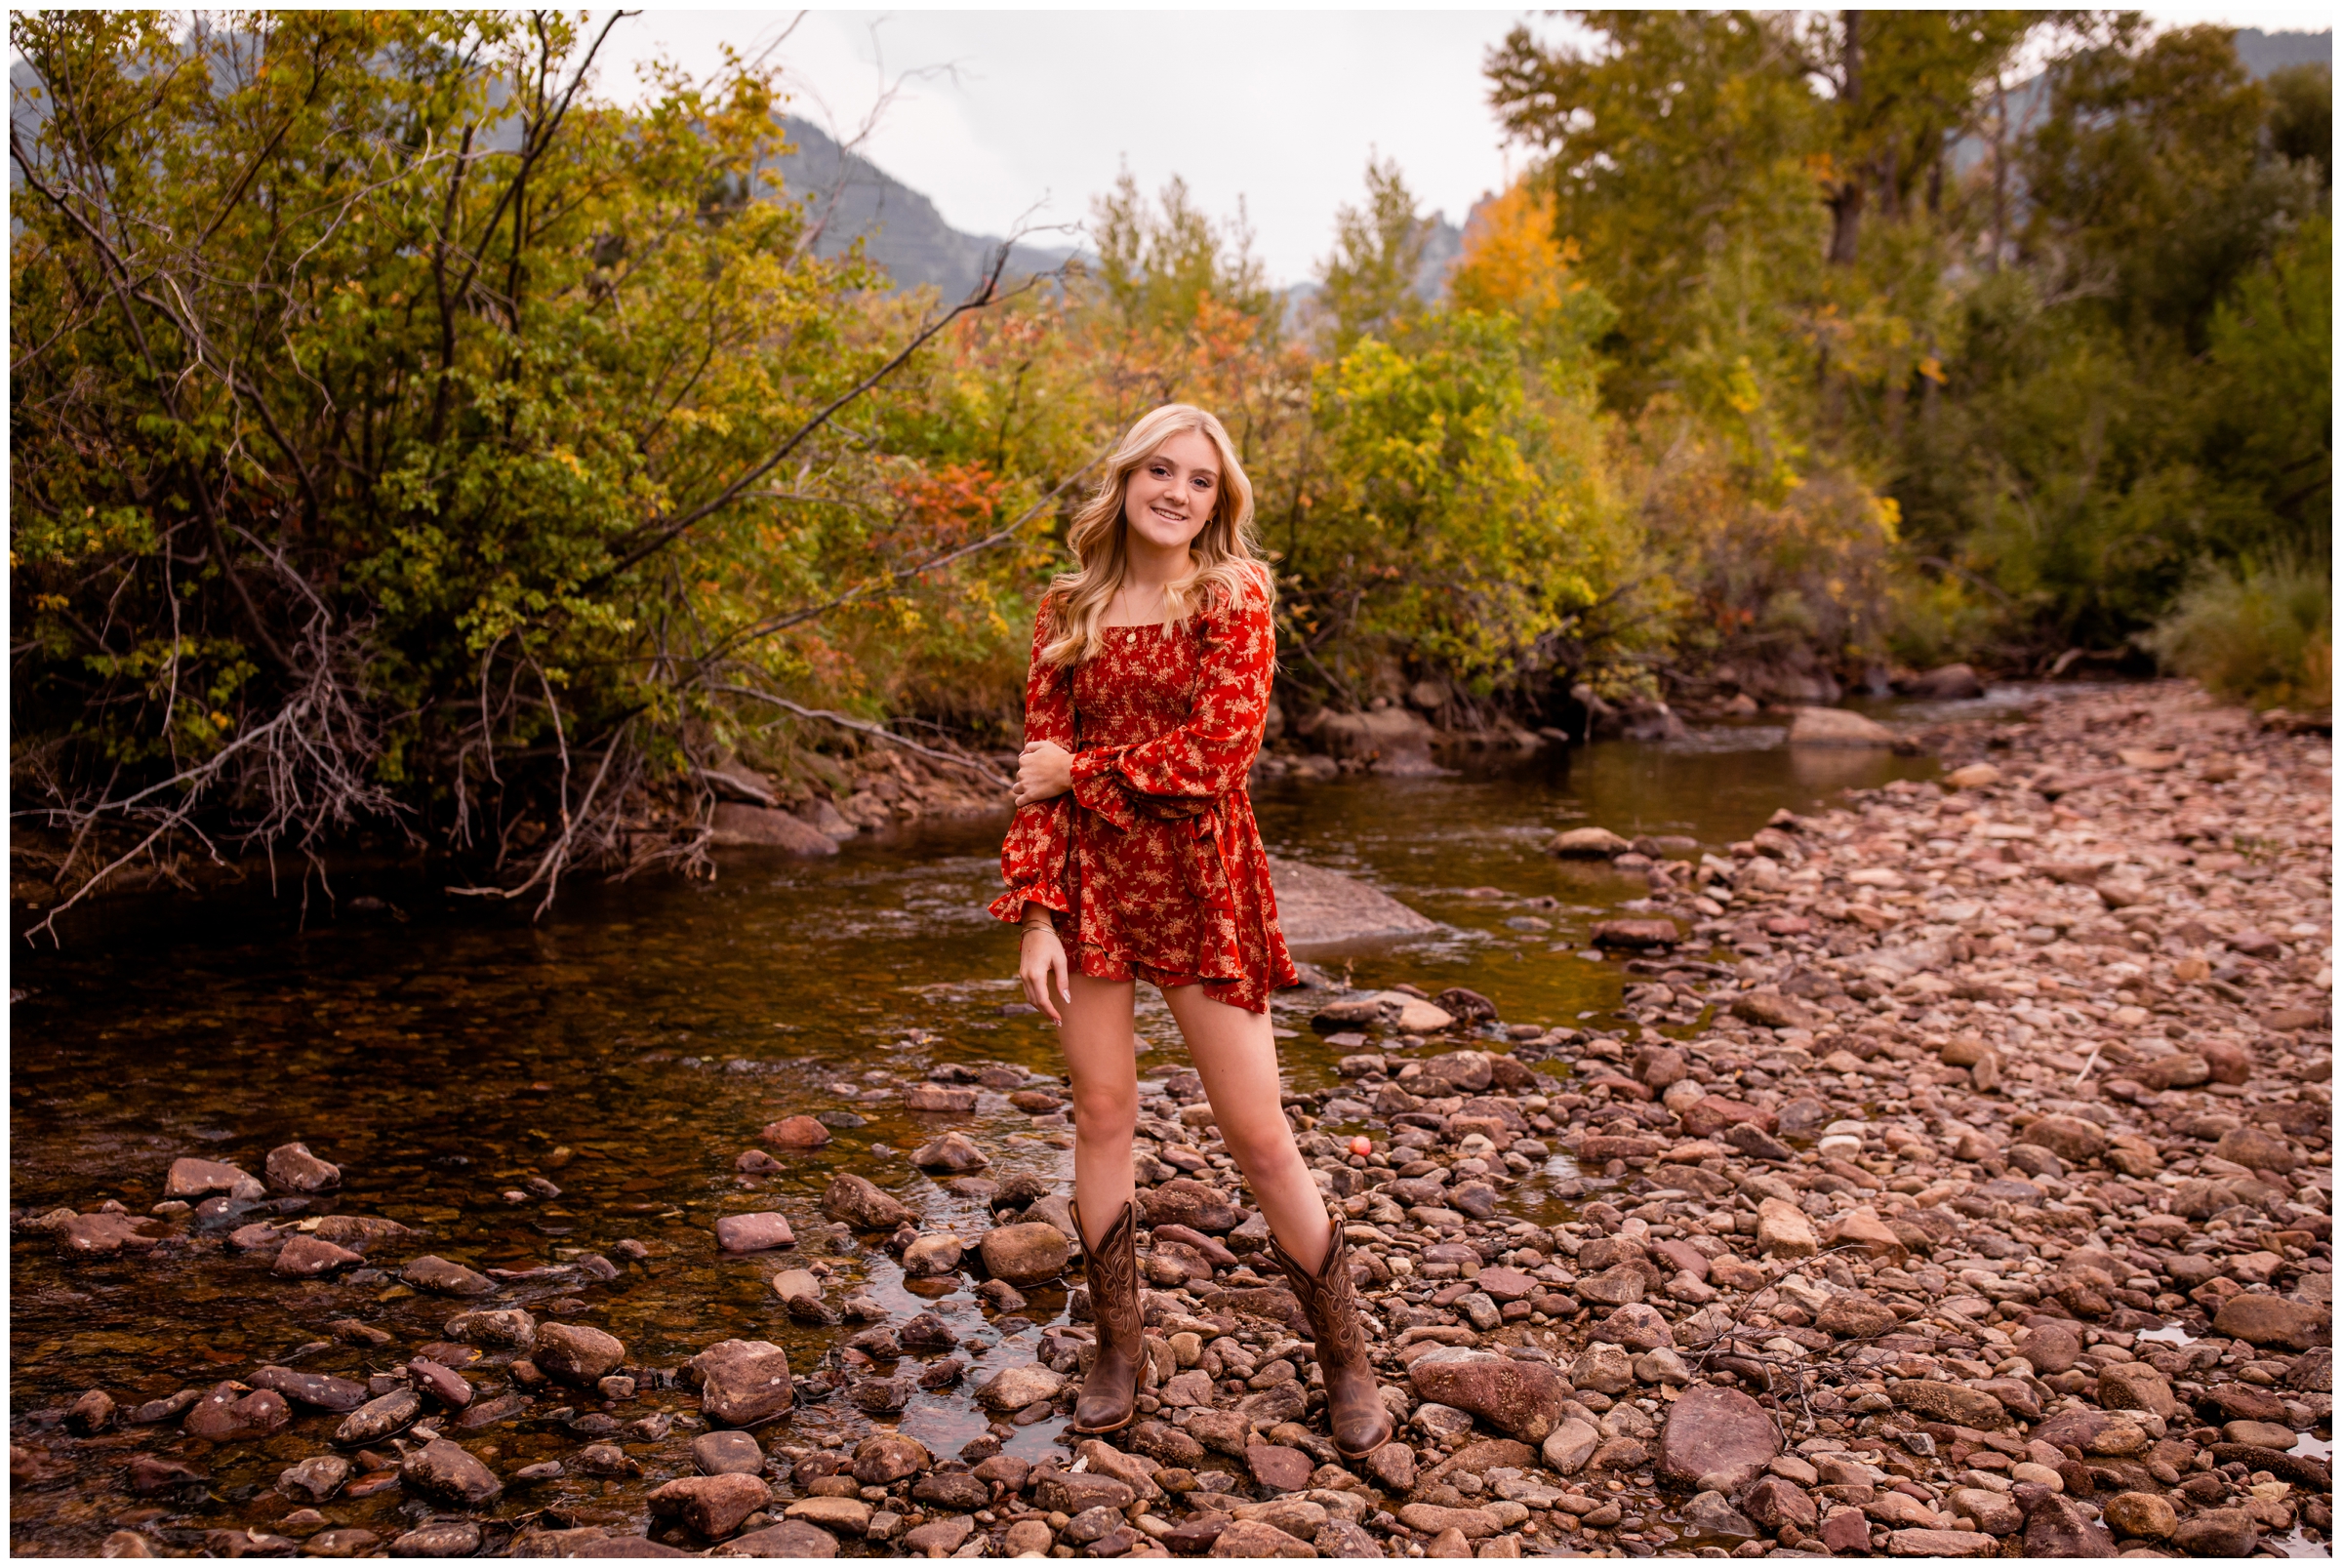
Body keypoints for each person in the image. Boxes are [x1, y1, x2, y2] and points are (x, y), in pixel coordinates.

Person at [989, 403, 1393, 1458]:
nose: (1177, 491)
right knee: (1102, 1112)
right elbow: (1036, 775)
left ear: (1222, 498)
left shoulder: (1233, 594)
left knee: (1258, 1133)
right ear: (1125, 479)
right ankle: (1118, 1348)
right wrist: (1035, 913)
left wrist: (1081, 771)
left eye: (1200, 480)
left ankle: (1346, 1356)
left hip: (1201, 878)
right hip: (1090, 889)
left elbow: (1218, 755)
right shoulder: (1067, 606)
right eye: (1160, 470)